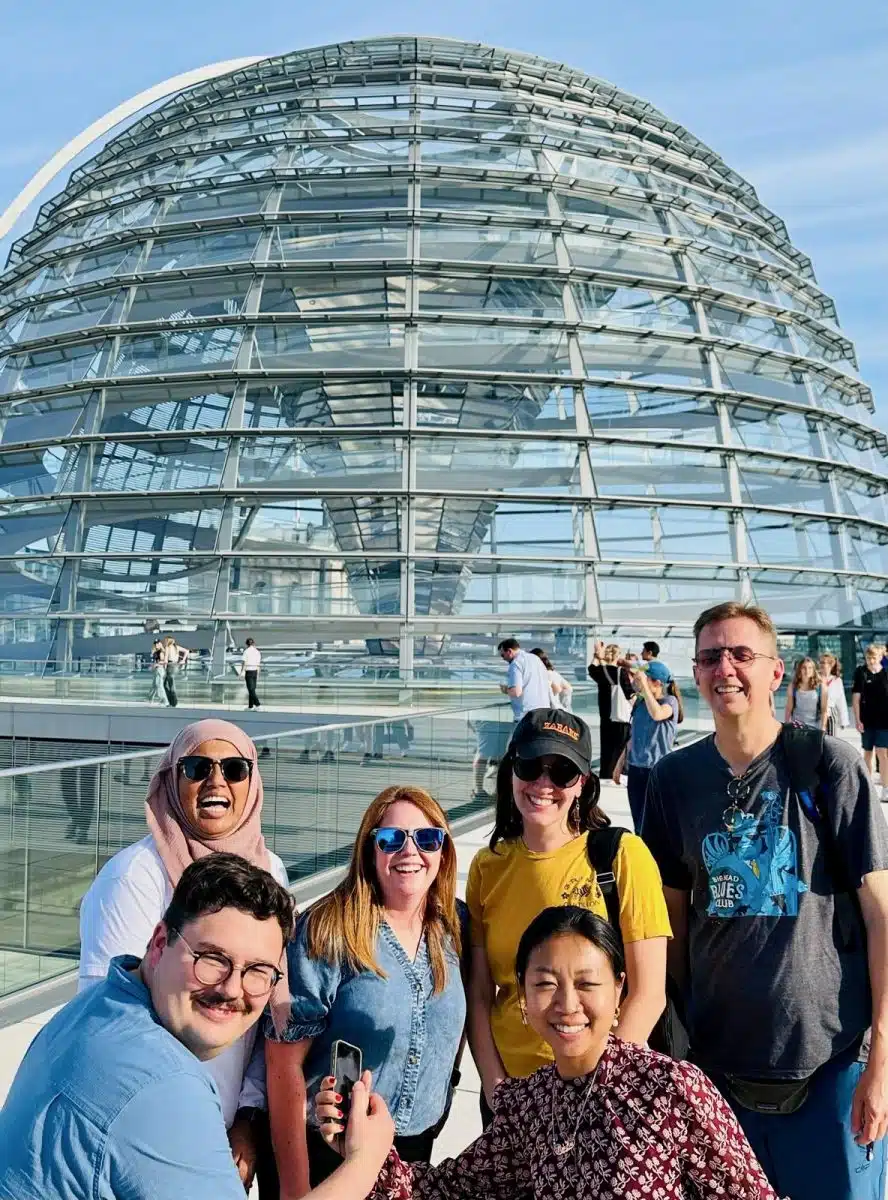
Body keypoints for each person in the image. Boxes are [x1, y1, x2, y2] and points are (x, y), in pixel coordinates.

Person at [641, 600, 888, 1200]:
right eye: (711, 656)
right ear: (695, 674)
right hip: (717, 1067)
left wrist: (881, 1059)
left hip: (829, 1064)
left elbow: (882, 916)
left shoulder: (831, 766)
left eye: (742, 654)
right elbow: (667, 918)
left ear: (776, 672)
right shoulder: (675, 780)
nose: (726, 667)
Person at [317, 906, 778, 1199]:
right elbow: (444, 1189)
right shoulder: (529, 1105)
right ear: (522, 998)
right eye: (545, 984)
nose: (566, 1004)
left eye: (586, 983)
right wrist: (365, 1152)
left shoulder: (670, 1089)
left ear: (619, 990)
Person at [0, 854, 301, 1200]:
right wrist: (362, 1159)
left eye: (258, 971)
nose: (232, 989)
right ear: (159, 944)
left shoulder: (100, 1004)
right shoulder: (163, 1084)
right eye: (213, 959)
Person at [78, 718, 289, 1197]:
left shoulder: (269, 871)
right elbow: (107, 1022)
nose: (217, 782)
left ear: (252, 784)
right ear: (172, 780)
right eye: (197, 767)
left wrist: (248, 1119)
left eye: (234, 768)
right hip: (150, 1122)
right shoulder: (135, 877)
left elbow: (266, 1009)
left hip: (224, 1123)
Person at [466, 708, 670, 1125]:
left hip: (598, 1096)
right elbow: (481, 994)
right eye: (530, 766)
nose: (544, 784)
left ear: (582, 786)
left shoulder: (622, 858)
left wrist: (592, 1094)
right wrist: (496, 1090)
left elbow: (648, 993)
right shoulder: (487, 867)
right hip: (513, 1098)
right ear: (510, 771)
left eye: (562, 772)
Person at [265, 785, 466, 1196]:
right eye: (391, 839)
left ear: (443, 852)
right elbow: (282, 1065)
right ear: (369, 849)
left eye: (427, 839)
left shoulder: (455, 928)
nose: (410, 851)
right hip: (327, 1153)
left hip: (414, 1155)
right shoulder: (327, 930)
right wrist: (294, 1187)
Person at [612, 660, 678, 830]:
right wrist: (619, 765)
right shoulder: (641, 704)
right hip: (636, 769)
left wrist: (645, 690)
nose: (638, 681)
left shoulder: (670, 702)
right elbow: (632, 738)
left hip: (656, 769)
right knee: (638, 820)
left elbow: (657, 714)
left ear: (658, 683)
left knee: (655, 822)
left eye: (644, 678)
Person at [587, 640, 633, 778]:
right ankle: (617, 774)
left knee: (606, 749)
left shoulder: (600, 672)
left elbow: (591, 668)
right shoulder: (620, 672)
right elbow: (629, 693)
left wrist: (597, 654)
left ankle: (606, 775)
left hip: (605, 716)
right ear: (617, 655)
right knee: (620, 749)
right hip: (620, 717)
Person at [853, 643, 888, 795]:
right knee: (868, 752)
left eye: (873, 658)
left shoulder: (886, 674)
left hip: (884, 720)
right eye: (868, 658)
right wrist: (857, 719)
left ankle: (886, 787)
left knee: (882, 752)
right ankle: (868, 787)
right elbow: (855, 698)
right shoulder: (861, 673)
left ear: (880, 658)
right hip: (867, 720)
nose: (871, 661)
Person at [497, 637, 552, 720]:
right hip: (544, 712)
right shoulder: (535, 658)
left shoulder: (516, 663)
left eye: (502, 655)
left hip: (527, 716)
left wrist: (505, 690)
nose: (503, 658)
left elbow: (516, 692)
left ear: (509, 651)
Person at [783, 656, 829, 731]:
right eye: (804, 668)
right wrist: (786, 726)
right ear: (800, 670)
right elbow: (789, 708)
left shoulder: (821, 687)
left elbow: (824, 710)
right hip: (797, 727)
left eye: (810, 668)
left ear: (814, 670)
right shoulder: (792, 687)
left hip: (815, 727)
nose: (807, 670)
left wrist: (823, 728)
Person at [820, 651, 850, 735]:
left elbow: (841, 700)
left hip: (831, 712)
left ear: (831, 665)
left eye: (824, 663)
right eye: (820, 662)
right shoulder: (816, 678)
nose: (821, 665)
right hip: (818, 712)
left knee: (831, 738)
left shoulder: (836, 681)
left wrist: (843, 720)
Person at [243, 637, 262, 709]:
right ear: (253, 643)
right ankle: (250, 706)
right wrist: (258, 673)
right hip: (255, 671)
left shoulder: (246, 651)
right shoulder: (257, 652)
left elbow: (244, 662)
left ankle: (257, 704)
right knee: (252, 689)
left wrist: (241, 672)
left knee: (251, 689)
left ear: (247, 644)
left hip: (249, 671)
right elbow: (258, 663)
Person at [148, 638, 167, 704]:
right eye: (155, 643)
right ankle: (150, 699)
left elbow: (163, 661)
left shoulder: (161, 651)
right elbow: (154, 661)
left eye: (157, 643)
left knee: (159, 685)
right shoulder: (155, 651)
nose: (156, 645)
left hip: (160, 669)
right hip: (156, 669)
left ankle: (163, 700)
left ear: (160, 644)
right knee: (154, 685)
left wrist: (156, 664)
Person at [163, 635, 181, 707]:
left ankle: (172, 702)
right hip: (175, 666)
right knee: (171, 684)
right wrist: (182, 660)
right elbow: (186, 651)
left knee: (165, 685)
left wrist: (164, 668)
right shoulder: (176, 647)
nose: (164, 641)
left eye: (165, 640)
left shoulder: (167, 647)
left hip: (170, 666)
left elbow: (166, 659)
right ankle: (173, 702)